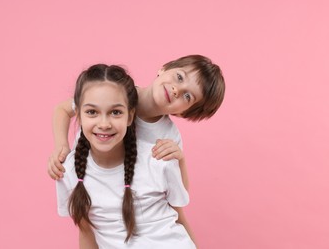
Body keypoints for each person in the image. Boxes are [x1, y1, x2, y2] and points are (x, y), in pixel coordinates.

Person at [56, 64, 196, 248]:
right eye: (92, 112)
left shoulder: (160, 156)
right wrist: (61, 146)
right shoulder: (68, 172)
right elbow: (85, 231)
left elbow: (178, 213)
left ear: (130, 117)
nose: (104, 123)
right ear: (79, 116)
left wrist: (181, 161)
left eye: (115, 112)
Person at [48, 55, 225, 189]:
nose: (176, 89)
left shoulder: (168, 136)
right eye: (179, 77)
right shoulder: (118, 92)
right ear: (164, 68)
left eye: (187, 96)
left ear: (184, 112)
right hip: (87, 181)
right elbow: (62, 109)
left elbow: (180, 193)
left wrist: (181, 159)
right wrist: (61, 145)